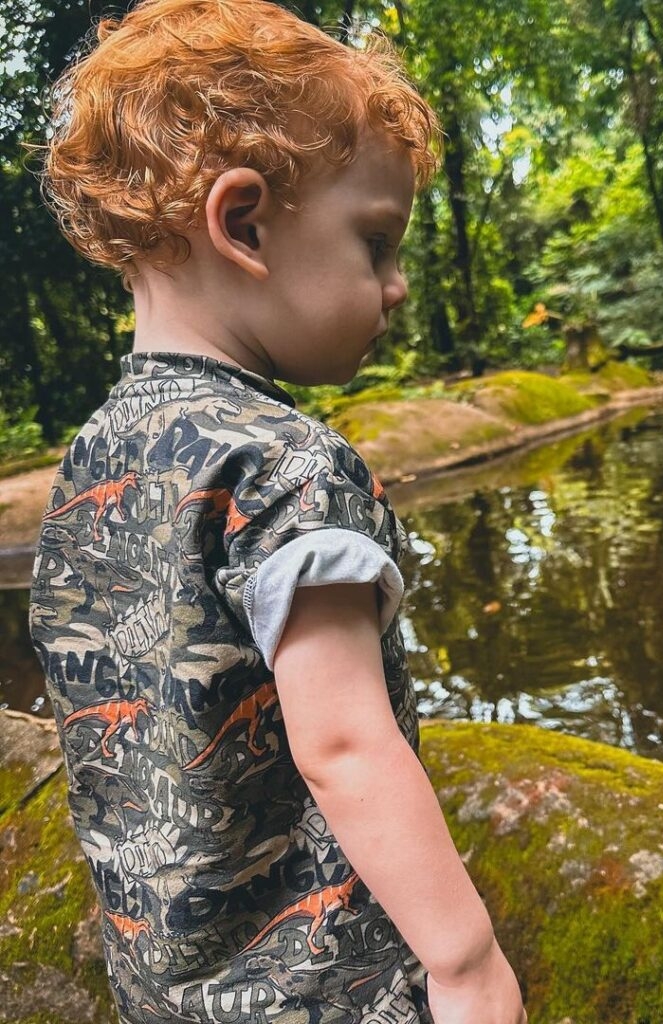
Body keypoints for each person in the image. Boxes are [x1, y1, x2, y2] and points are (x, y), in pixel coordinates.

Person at [28, 3, 526, 1023]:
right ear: (243, 222)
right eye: (376, 242)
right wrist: (467, 962)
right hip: (322, 992)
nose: (392, 289)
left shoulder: (95, 452)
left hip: (161, 984)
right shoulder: (286, 463)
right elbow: (343, 744)